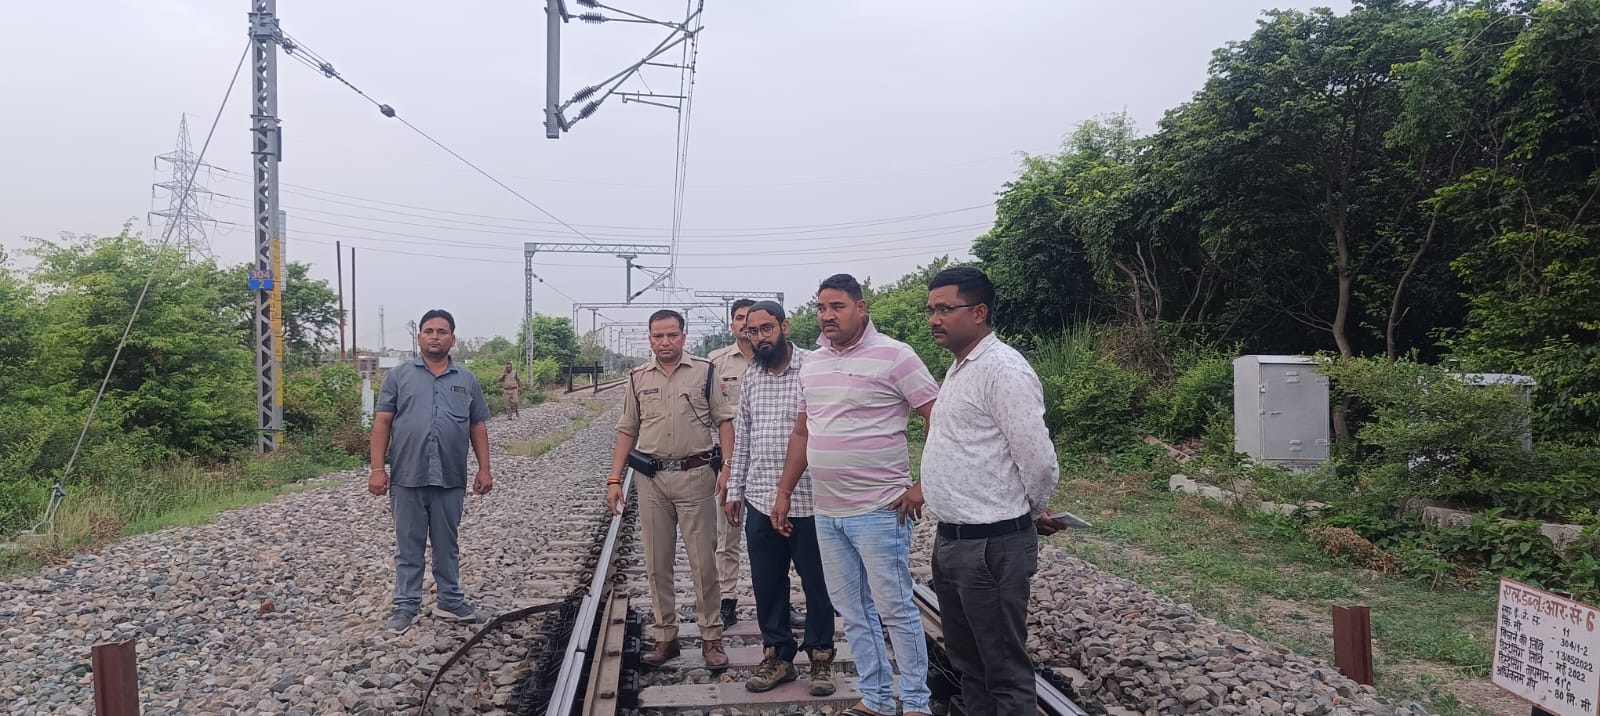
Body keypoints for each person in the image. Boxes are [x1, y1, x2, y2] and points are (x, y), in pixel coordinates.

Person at [771, 274, 938, 716]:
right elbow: (803, 431)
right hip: (827, 511)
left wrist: (923, 485)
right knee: (853, 611)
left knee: (895, 608)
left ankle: (916, 703)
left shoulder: (896, 355)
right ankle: (876, 699)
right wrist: (784, 491)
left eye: (837, 306)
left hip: (880, 509)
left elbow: (937, 416)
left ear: (861, 308)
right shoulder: (812, 364)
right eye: (821, 308)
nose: (827, 316)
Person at [920, 267, 1062, 715]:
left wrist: (1029, 511)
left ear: (979, 312)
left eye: (945, 309)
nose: (934, 319)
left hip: (990, 544)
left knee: (1002, 669)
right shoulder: (962, 367)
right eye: (931, 310)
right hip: (953, 539)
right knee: (969, 664)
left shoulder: (1003, 370)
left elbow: (1038, 460)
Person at [605, 310, 735, 668]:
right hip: (652, 480)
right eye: (658, 336)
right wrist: (614, 479)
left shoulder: (705, 372)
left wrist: (728, 468)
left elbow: (724, 421)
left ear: (683, 336)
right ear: (650, 339)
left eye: (672, 335)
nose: (665, 342)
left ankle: (711, 638)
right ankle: (666, 638)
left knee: (703, 562)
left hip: (696, 476)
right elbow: (627, 429)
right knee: (657, 563)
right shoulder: (638, 378)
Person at [722, 301, 837, 696]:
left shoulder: (813, 367)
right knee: (768, 583)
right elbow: (744, 435)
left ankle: (821, 657)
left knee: (818, 583)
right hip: (759, 496)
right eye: (752, 331)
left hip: (810, 500)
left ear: (784, 326)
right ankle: (778, 656)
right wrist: (735, 489)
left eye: (766, 328)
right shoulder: (752, 375)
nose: (759, 337)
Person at [369, 308, 493, 634]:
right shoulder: (399, 377)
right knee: (408, 546)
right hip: (407, 476)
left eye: (442, 331)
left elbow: (477, 425)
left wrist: (484, 468)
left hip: (450, 476)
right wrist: (377, 469)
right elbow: (382, 423)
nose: (435, 337)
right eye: (429, 331)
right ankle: (406, 605)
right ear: (419, 336)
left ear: (453, 338)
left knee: (446, 544)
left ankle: (450, 601)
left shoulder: (466, 380)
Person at [707, 298, 754, 628]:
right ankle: (726, 600)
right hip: (728, 461)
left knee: (779, 536)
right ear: (731, 324)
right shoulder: (716, 362)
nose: (745, 324)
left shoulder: (777, 358)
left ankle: (778, 601)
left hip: (770, 462)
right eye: (739, 318)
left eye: (750, 318)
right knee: (726, 535)